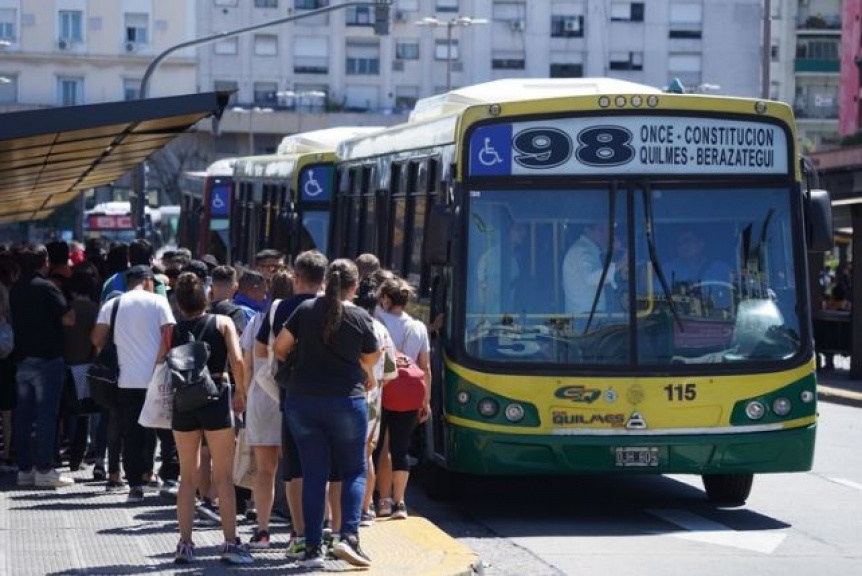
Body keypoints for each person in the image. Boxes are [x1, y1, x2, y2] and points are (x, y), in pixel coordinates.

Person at [274, 259, 380, 568]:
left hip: (302, 403)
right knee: (354, 470)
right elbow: (371, 357)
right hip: (346, 402)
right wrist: (358, 368)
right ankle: (348, 537)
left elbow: (280, 347)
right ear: (355, 286)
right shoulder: (359, 316)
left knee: (313, 474)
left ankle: (311, 549)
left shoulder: (305, 311)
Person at [168, 272, 252, 565]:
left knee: (187, 477)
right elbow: (238, 359)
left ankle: (185, 544)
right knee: (224, 477)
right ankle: (230, 543)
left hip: (184, 402)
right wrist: (241, 392)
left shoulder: (173, 330)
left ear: (179, 304)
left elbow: (161, 364)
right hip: (216, 395)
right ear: (207, 298)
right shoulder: (223, 322)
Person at [251, 249, 327, 558]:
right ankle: (323, 533)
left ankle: (298, 534)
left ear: (296, 277)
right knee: (321, 470)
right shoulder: (338, 308)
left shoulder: (279, 308)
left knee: (294, 471)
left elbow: (261, 355)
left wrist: (275, 389)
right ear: (324, 280)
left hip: (291, 398)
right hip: (328, 399)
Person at [91, 265, 175, 502]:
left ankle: (135, 485)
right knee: (164, 430)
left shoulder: (113, 304)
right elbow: (169, 334)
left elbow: (96, 338)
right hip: (156, 378)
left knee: (131, 433)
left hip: (125, 380)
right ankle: (168, 478)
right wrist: (158, 360)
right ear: (148, 282)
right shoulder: (159, 302)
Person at [10, 243, 76, 488]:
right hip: (48, 359)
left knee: (23, 415)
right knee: (47, 414)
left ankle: (24, 469)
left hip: (22, 358)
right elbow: (68, 318)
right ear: (44, 262)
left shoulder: (16, 289)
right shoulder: (48, 288)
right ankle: (44, 469)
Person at [240, 269, 294, 549]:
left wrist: (246, 394)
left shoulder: (257, 321)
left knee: (265, 470)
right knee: (297, 469)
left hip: (261, 398)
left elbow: (247, 364)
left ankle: (262, 530)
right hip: (293, 400)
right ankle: (299, 531)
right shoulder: (304, 319)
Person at [373, 277, 431, 521]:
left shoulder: (377, 321)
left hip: (383, 389)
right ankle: (400, 503)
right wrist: (425, 401)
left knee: (383, 445)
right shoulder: (418, 327)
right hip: (410, 392)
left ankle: (383, 501)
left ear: (386, 299)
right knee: (401, 446)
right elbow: (425, 368)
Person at [562, 220, 627, 315]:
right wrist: (622, 262)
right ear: (587, 230)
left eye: (607, 230)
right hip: (583, 321)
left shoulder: (592, 250)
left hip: (590, 318)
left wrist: (613, 252)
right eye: (601, 229)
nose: (605, 234)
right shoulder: (581, 250)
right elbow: (591, 277)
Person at [665, 228, 733, 309]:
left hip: (717, 319)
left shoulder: (720, 269)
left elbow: (734, 295)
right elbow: (658, 294)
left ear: (701, 243)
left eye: (688, 241)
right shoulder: (668, 269)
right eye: (679, 244)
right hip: (679, 318)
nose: (683, 246)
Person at [476, 221, 526, 313]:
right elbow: (482, 293)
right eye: (518, 229)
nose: (523, 233)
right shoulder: (489, 259)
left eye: (524, 229)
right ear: (508, 231)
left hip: (516, 317)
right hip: (493, 318)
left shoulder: (524, 257)